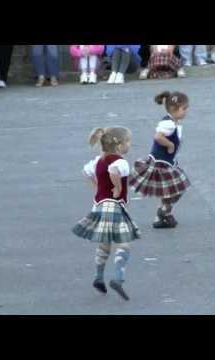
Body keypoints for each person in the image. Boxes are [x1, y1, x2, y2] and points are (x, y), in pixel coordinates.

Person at [72, 127, 140, 301]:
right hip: (114, 206)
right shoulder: (120, 162)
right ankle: (117, 278)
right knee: (124, 244)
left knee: (104, 245)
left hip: (99, 206)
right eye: (128, 142)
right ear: (118, 146)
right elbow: (114, 171)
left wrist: (97, 188)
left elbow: (85, 172)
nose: (129, 145)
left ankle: (98, 277)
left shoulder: (97, 161)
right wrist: (117, 187)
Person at [129, 91, 191, 229]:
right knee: (178, 189)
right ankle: (163, 211)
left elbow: (170, 112)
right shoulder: (169, 124)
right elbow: (158, 137)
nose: (186, 111)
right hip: (161, 163)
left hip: (167, 161)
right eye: (184, 109)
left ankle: (163, 215)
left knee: (169, 190)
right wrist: (170, 145)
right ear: (174, 109)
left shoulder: (173, 120)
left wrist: (167, 104)